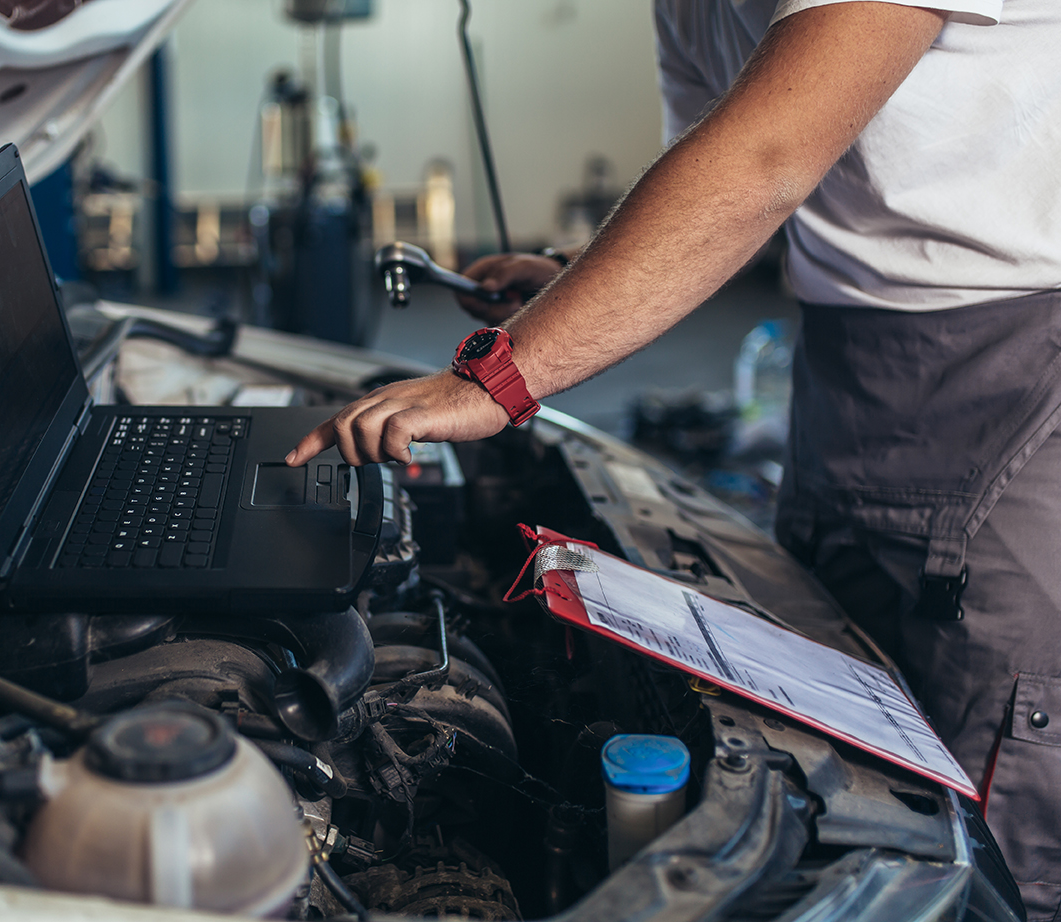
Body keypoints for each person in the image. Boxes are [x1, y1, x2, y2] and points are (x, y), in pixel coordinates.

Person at [288, 1, 1061, 915]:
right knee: (853, 751)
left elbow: (767, 159)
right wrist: (580, 279)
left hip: (1013, 381)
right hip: (844, 377)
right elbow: (728, 184)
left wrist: (502, 377)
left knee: (985, 831)